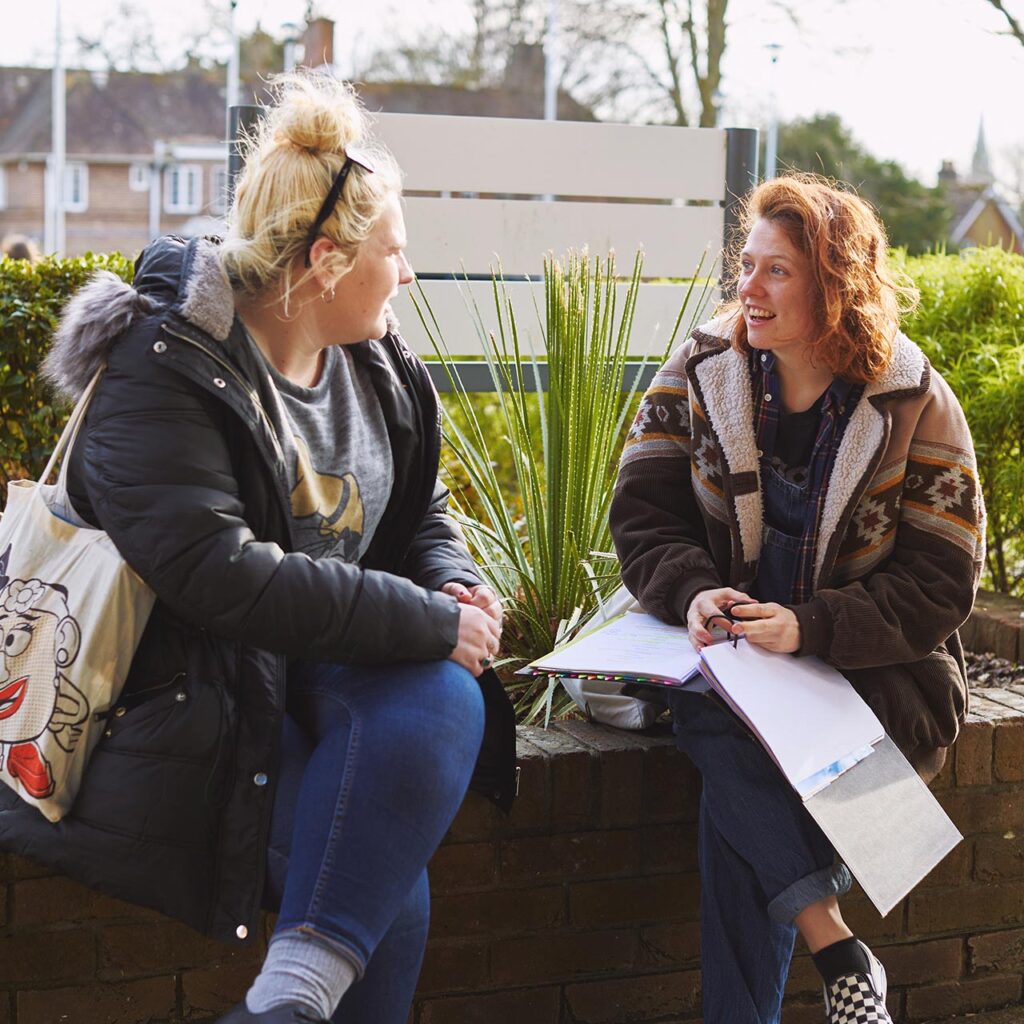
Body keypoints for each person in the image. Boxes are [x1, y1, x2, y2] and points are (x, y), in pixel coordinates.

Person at [0, 72, 516, 1024]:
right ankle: (292, 1000)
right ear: (325, 261)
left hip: (317, 668)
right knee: (390, 894)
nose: (407, 274)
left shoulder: (376, 358)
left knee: (449, 690)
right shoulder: (164, 367)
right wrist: (426, 617)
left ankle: (286, 1002)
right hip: (188, 695)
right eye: (393, 253)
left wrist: (452, 583)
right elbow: (218, 578)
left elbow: (422, 511)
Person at [610, 173, 984, 1024]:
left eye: (774, 271)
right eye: (745, 266)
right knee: (720, 702)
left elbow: (940, 585)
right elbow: (640, 518)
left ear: (834, 281)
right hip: (735, 664)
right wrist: (697, 592)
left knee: (726, 752)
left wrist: (808, 629)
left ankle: (822, 962)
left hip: (875, 677)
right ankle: (839, 950)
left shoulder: (914, 403)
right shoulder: (701, 374)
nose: (747, 290)